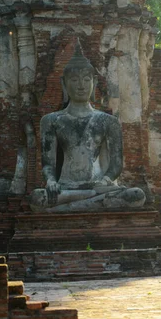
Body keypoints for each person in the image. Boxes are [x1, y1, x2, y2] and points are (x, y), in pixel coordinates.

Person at [29, 42, 145, 212]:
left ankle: (62, 210)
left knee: (136, 195)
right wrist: (51, 181)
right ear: (64, 84)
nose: (81, 85)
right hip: (66, 188)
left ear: (94, 82)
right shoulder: (51, 120)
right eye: (74, 80)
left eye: (86, 79)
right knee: (37, 197)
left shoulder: (108, 121)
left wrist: (105, 181)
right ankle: (89, 204)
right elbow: (48, 164)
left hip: (98, 186)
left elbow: (116, 165)